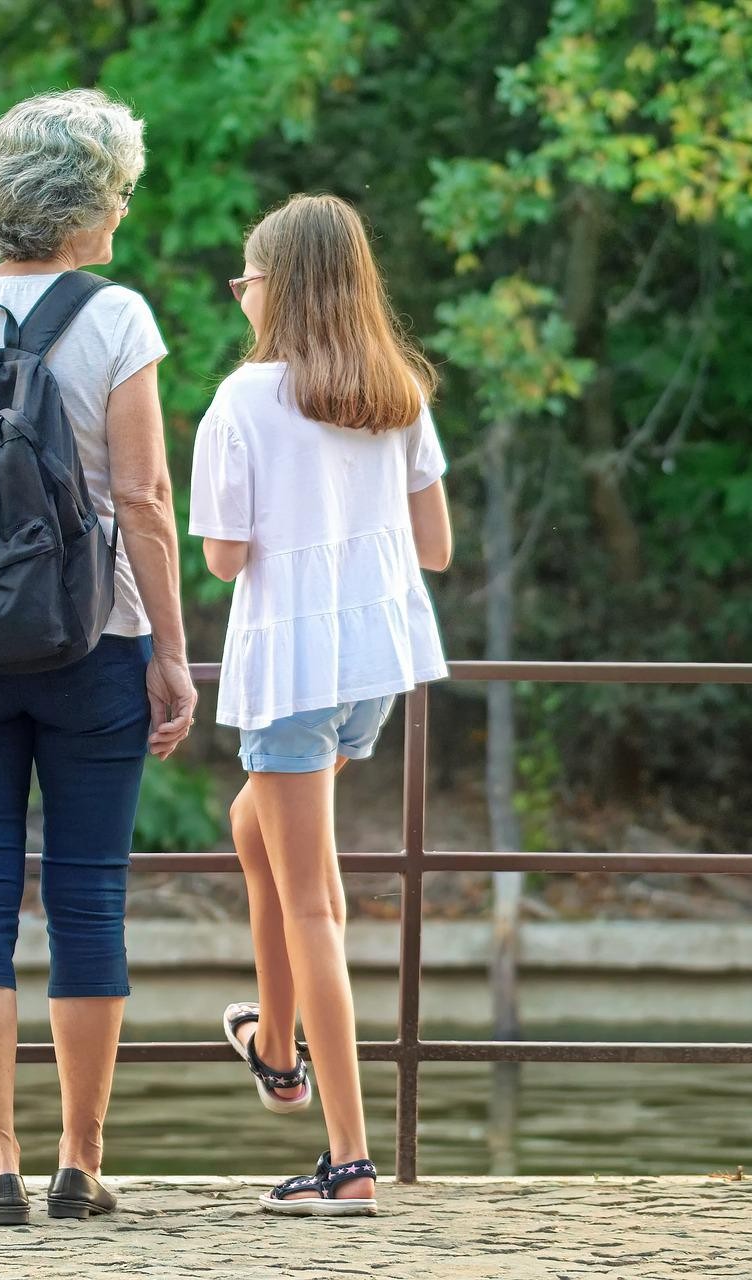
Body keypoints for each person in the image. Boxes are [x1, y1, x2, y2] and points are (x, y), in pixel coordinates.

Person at [0, 88, 196, 1224]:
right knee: (87, 896)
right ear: (86, 205)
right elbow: (146, 499)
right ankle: (80, 1160)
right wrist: (169, 648)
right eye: (117, 191)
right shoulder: (116, 316)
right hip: (92, 644)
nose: (121, 211)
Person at [189, 192, 454, 1216]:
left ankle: (343, 1153)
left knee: (315, 901)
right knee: (252, 822)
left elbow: (222, 557)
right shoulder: (400, 392)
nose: (239, 296)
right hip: (374, 667)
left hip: (291, 670)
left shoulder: (245, 401)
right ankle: (273, 1043)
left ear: (277, 288)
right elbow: (434, 549)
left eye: (245, 279)